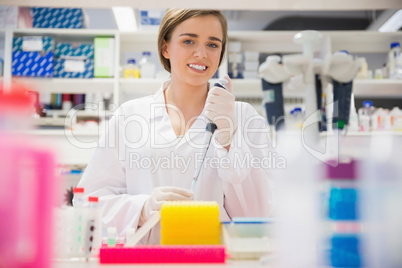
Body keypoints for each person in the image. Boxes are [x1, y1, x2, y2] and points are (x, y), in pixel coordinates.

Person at [75, 8, 274, 244]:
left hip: (214, 258)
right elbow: (87, 202)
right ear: (165, 48)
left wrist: (230, 140)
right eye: (188, 41)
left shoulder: (244, 117)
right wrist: (143, 207)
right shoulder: (130, 116)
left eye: (213, 45)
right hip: (147, 259)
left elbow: (259, 214)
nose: (201, 53)